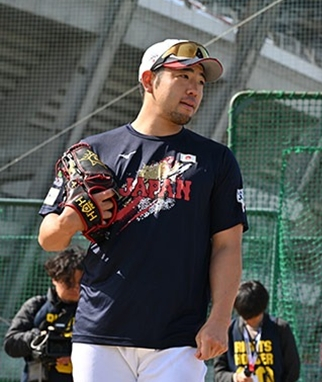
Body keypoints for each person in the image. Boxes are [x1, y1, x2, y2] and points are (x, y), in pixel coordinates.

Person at [37, 39, 248, 382]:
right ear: (149, 80)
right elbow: (48, 239)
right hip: (99, 333)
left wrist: (220, 320)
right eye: (183, 76)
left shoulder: (216, 160)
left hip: (179, 339)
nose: (194, 88)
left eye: (200, 81)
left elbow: (228, 246)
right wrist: (70, 219)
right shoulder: (93, 152)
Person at [3, 246, 85, 382]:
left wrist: (77, 354)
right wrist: (39, 339)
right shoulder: (36, 306)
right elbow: (11, 344)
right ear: (54, 278)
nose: (76, 288)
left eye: (81, 282)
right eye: (68, 282)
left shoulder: (93, 311)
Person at [213, 280, 300, 382]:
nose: (249, 321)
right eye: (245, 317)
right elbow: (218, 373)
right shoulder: (229, 330)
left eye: (253, 317)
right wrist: (235, 378)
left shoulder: (280, 329)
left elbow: (292, 370)